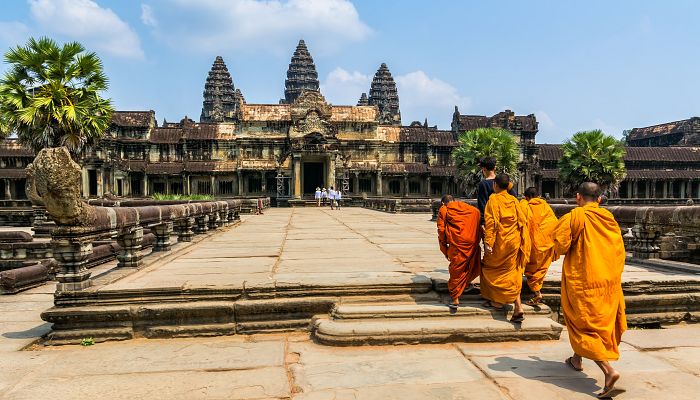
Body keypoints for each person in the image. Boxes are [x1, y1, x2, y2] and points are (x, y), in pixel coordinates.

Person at [552, 182, 626, 398]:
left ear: (578, 197)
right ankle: (577, 359)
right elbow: (619, 250)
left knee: (584, 325)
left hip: (583, 281)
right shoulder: (609, 219)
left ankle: (608, 370)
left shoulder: (574, 217)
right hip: (607, 281)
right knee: (590, 323)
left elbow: (561, 246)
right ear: (600, 199)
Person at [481, 173, 531, 322]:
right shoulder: (514, 201)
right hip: (514, 241)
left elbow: (492, 223)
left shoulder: (493, 200)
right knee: (513, 272)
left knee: (491, 269)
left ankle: (497, 301)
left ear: (495, 185)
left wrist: (488, 242)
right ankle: (518, 306)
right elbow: (522, 222)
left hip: (500, 243)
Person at [437, 195, 481, 309]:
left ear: (443, 203)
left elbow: (441, 230)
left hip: (457, 243)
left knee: (456, 269)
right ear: (454, 201)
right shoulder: (468, 208)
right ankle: (465, 284)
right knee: (469, 265)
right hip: (471, 241)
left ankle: (455, 299)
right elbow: (477, 213)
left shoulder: (444, 209)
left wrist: (444, 247)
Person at [520, 187, 558, 305]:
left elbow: (521, 222)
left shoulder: (524, 206)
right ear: (538, 196)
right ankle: (537, 292)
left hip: (532, 245)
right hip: (545, 244)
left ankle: (537, 293)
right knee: (540, 269)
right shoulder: (546, 207)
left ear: (526, 197)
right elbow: (554, 223)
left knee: (531, 270)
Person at [476, 157, 517, 224]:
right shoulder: (504, 180)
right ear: (495, 168)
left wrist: (483, 222)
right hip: (508, 218)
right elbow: (514, 199)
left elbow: (482, 205)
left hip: (492, 219)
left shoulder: (483, 184)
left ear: (484, 169)